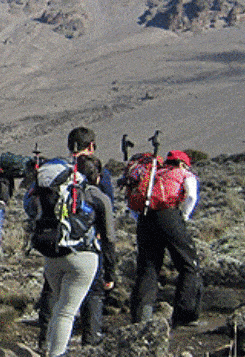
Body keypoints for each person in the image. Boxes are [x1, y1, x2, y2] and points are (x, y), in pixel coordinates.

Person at [35, 126, 114, 345]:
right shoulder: (95, 172)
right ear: (91, 146)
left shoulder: (56, 171)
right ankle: (90, 339)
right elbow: (107, 208)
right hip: (87, 245)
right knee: (91, 294)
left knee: (52, 293)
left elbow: (32, 205)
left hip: (55, 241)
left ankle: (44, 339)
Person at [131, 149, 201, 327]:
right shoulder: (184, 174)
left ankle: (141, 318)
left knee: (148, 268)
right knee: (188, 265)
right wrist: (183, 216)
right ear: (183, 163)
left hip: (145, 218)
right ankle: (184, 315)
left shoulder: (153, 174)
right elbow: (191, 196)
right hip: (169, 216)